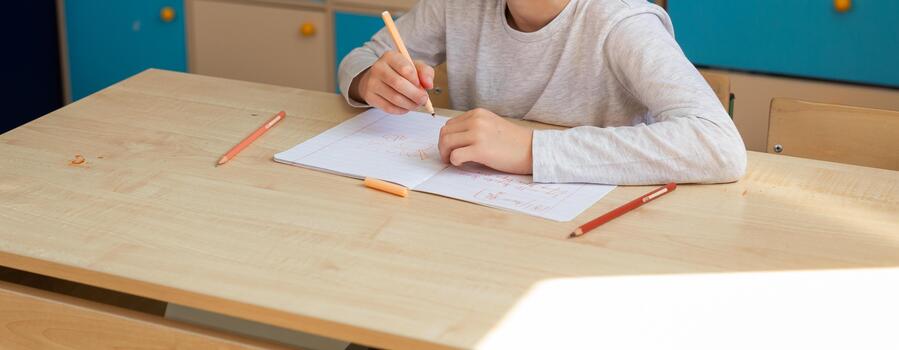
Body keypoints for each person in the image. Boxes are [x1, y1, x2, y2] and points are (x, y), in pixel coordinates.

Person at [339, 0, 747, 185]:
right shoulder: (456, 6)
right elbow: (363, 57)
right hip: (477, 223)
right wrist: (368, 80)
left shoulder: (622, 22)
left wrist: (532, 150)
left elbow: (719, 145)